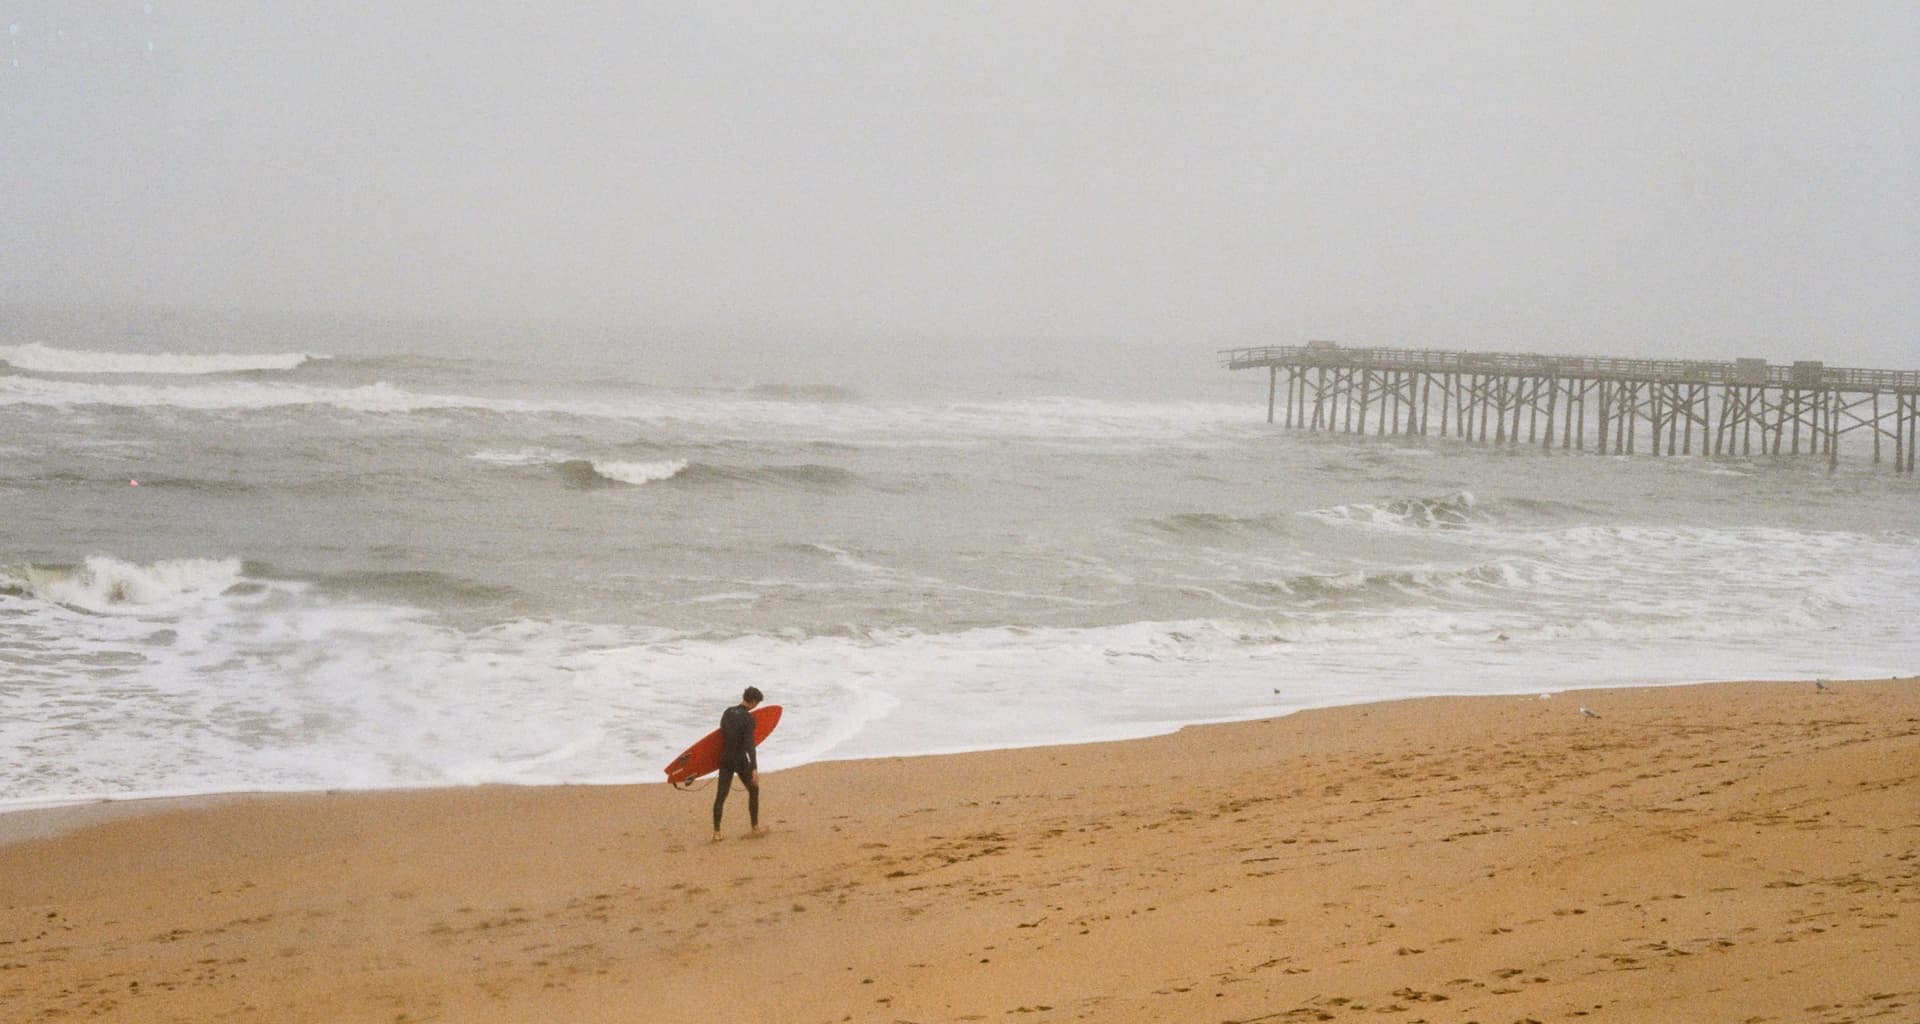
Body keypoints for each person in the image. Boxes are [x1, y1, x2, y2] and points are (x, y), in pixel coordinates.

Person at [712, 686, 768, 840]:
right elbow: (750, 744)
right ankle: (755, 828)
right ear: (754, 702)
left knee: (721, 795)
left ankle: (717, 833)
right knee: (754, 790)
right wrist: (754, 768)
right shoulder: (748, 719)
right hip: (740, 759)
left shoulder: (727, 712)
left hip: (725, 759)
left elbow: (721, 735)